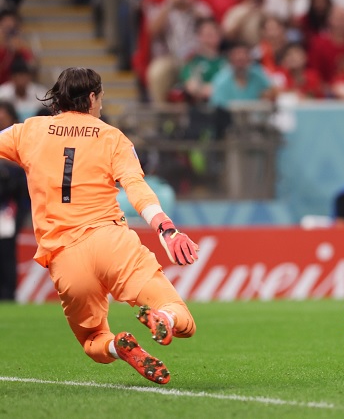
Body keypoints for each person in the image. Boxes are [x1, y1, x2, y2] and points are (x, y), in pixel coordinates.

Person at [0, 67, 200, 384]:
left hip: (65, 256)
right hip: (112, 243)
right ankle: (164, 317)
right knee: (181, 317)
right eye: (101, 97)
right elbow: (135, 186)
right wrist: (165, 227)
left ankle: (117, 348)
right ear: (92, 97)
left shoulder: (29, 131)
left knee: (93, 340)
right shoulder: (111, 137)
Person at [0, 101, 29, 301]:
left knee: (7, 256)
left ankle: (8, 295)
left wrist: (18, 220)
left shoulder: (19, 146)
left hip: (7, 213)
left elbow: (24, 194)